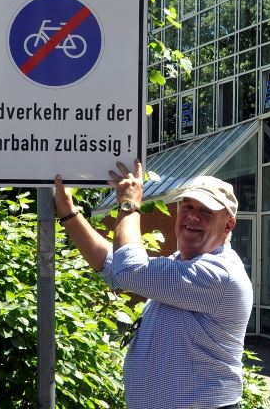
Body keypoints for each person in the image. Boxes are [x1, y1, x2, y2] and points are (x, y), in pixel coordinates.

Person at [54, 162, 252, 409]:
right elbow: (112, 264)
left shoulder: (219, 274)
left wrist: (128, 205)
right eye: (187, 206)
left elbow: (129, 270)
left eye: (206, 211)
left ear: (229, 225)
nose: (192, 216)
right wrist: (69, 213)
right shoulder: (181, 265)